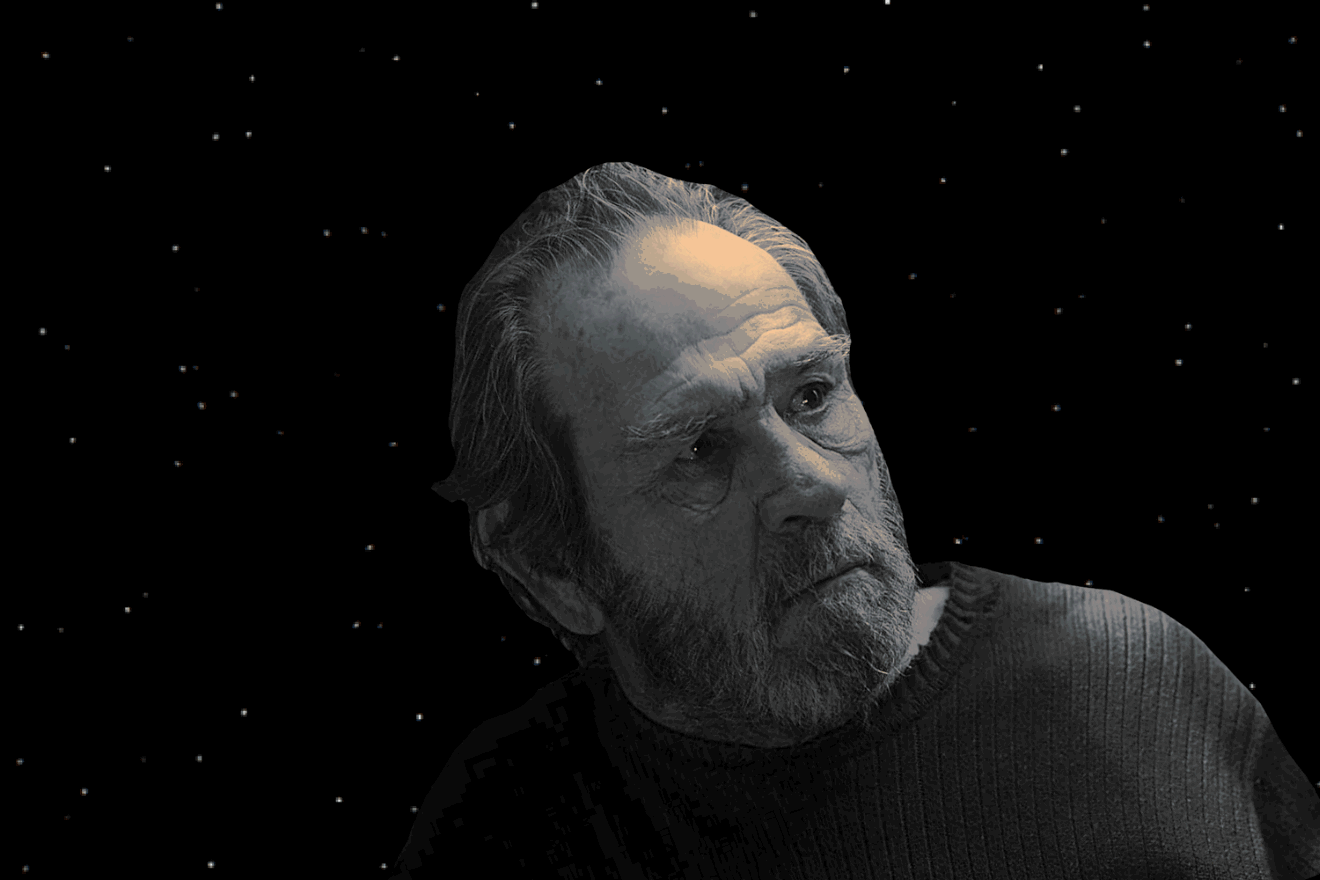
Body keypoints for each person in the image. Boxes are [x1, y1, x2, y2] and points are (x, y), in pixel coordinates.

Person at [394, 162, 1320, 878]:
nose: (814, 486)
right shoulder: (499, 828)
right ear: (552, 570)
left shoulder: (1132, 683)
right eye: (698, 449)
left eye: (811, 395)